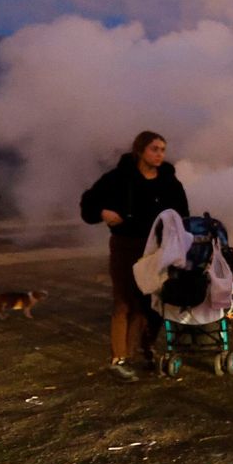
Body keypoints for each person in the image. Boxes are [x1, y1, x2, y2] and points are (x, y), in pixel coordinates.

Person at [79, 130, 189, 381]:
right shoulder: (118, 179)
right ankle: (119, 358)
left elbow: (181, 214)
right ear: (140, 151)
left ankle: (142, 349)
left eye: (163, 149)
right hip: (126, 245)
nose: (160, 154)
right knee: (123, 302)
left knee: (148, 303)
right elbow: (88, 204)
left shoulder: (170, 183)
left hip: (157, 250)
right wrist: (103, 213)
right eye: (154, 149)